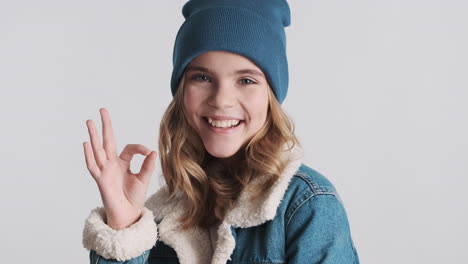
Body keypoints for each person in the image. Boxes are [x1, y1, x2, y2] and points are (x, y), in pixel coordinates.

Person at [81, 0, 360, 263]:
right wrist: (123, 225)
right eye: (202, 77)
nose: (221, 99)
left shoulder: (306, 205)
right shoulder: (157, 218)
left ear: (271, 95)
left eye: (246, 80)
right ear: (181, 92)